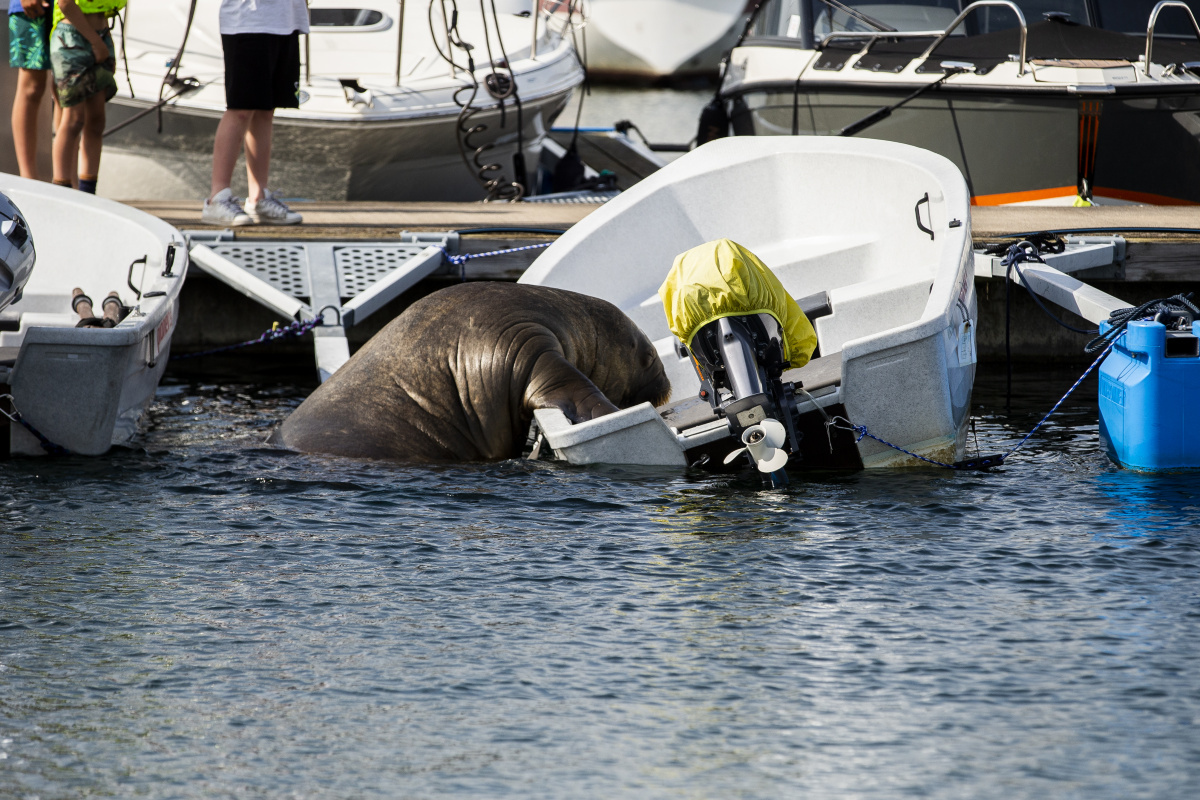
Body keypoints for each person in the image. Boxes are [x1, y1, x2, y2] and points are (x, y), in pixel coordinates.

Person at [202, 0, 307, 226]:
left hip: (285, 20)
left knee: (265, 110)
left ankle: (258, 197)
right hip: (247, 21)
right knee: (241, 109)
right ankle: (216, 199)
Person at [49, 0, 123, 193]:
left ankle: (88, 192)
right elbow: (65, 4)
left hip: (101, 34)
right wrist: (96, 42)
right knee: (73, 119)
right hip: (72, 38)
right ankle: (62, 191)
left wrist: (101, 41)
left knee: (97, 119)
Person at [8, 0, 54, 179]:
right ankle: (28, 179)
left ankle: (65, 182)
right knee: (31, 88)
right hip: (32, 8)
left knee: (65, 91)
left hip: (73, 10)